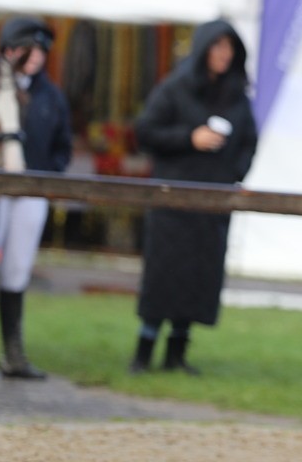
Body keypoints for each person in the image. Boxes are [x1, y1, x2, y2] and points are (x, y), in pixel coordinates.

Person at [129, 19, 257, 374]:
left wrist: (233, 173)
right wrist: (189, 138)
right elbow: (145, 132)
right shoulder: (175, 87)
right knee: (163, 276)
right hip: (172, 200)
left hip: (213, 204)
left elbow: (249, 141)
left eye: (229, 47)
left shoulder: (236, 95)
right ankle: (143, 353)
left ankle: (177, 355)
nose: (223, 54)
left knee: (199, 278)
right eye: (217, 46)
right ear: (203, 49)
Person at [0, 17, 73, 381]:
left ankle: (13, 354)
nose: (34, 57)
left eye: (40, 51)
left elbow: (62, 147)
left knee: (17, 270)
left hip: (29, 192)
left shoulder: (51, 97)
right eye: (26, 50)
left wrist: (43, 178)